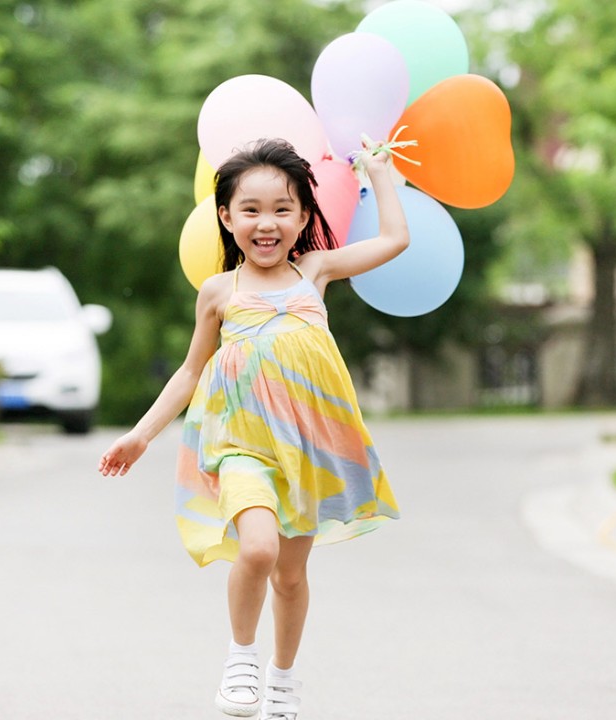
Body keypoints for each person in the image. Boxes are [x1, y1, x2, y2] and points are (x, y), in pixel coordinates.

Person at [98, 137, 408, 720]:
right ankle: (241, 657)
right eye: (251, 209)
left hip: (306, 448)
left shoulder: (315, 270)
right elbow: (191, 371)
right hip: (240, 446)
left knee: (291, 576)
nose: (267, 223)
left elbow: (395, 240)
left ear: (304, 217)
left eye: (282, 209)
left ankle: (283, 680)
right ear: (226, 216)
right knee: (259, 549)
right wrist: (141, 435)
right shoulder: (220, 291)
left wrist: (380, 172)